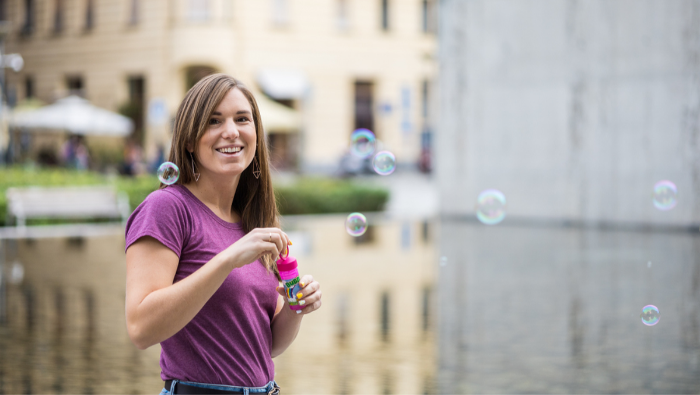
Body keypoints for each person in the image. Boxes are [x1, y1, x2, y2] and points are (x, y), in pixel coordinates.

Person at [124, 74, 322, 395]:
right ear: (189, 140)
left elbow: (267, 346)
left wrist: (295, 308)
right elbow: (141, 328)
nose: (231, 131)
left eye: (242, 119)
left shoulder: (254, 219)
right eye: (214, 121)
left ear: (256, 134)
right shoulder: (167, 208)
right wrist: (227, 260)